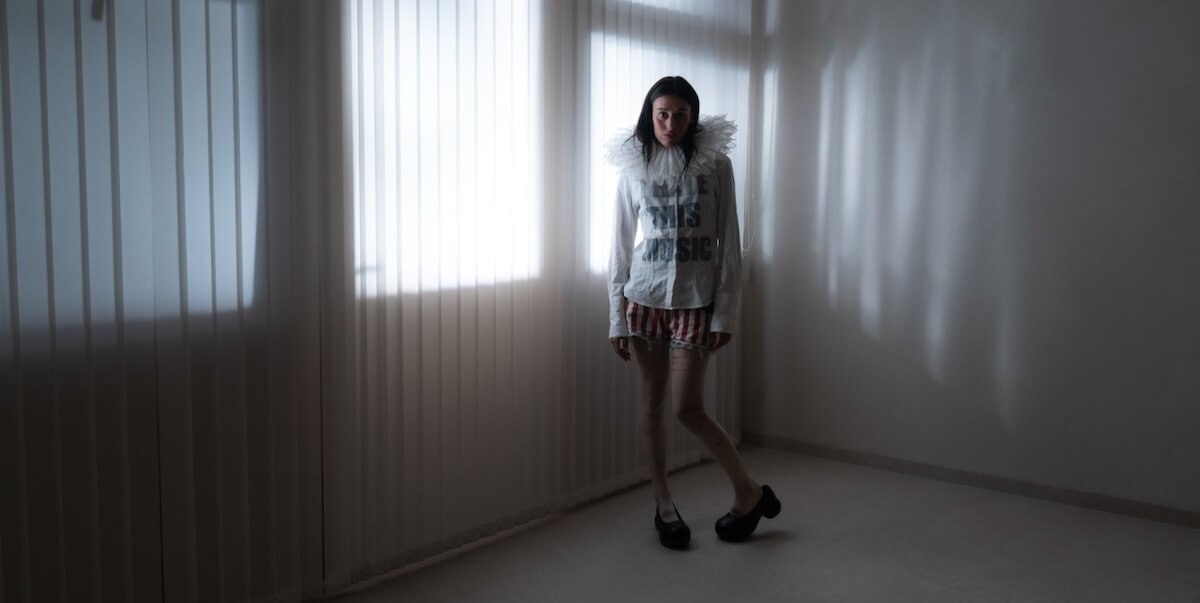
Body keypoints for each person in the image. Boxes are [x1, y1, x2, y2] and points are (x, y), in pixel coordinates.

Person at [607, 76, 780, 549]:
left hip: (696, 301)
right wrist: (616, 316)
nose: (670, 123)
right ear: (650, 115)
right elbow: (619, 248)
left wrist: (725, 314)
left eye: (680, 115)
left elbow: (729, 245)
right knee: (651, 406)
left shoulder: (716, 165)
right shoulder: (633, 169)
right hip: (643, 299)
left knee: (688, 408)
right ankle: (664, 504)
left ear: (693, 117)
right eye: (662, 114)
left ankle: (748, 492)